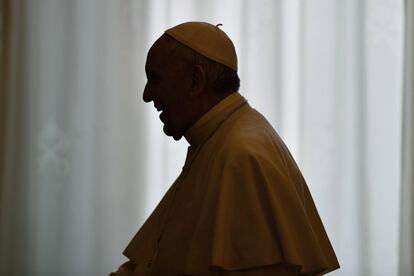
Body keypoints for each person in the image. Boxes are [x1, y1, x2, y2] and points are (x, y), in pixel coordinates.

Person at [110, 22, 339, 276]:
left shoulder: (242, 157)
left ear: (196, 81)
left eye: (155, 79)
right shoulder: (218, 140)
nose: (147, 94)